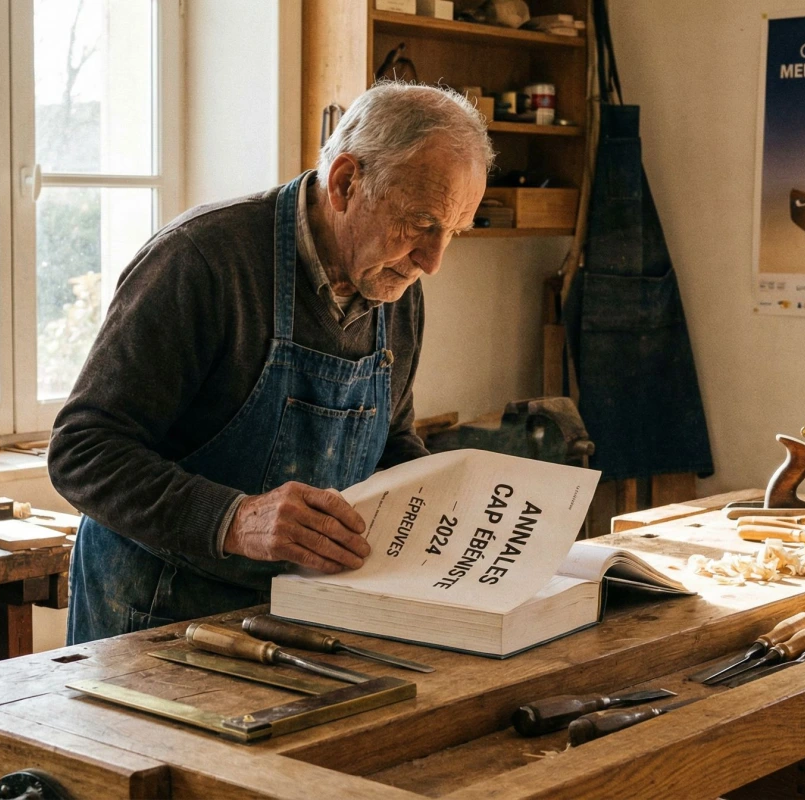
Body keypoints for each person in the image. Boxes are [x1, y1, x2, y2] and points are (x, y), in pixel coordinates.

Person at [49, 82, 493, 644]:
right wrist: (234, 519)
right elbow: (81, 451)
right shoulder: (202, 261)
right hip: (157, 620)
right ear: (345, 183)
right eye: (422, 223)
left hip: (296, 624)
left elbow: (391, 444)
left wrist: (445, 508)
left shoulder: (395, 288)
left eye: (453, 232)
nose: (432, 262)